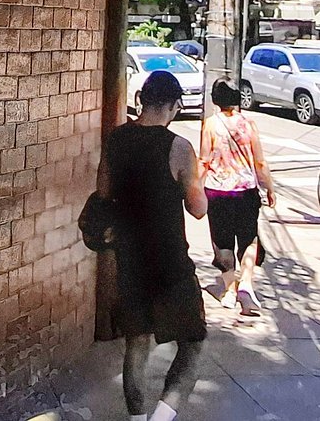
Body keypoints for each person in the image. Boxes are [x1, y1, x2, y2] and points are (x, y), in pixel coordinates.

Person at [98, 69, 208, 421]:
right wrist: (196, 178)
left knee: (136, 344)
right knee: (192, 344)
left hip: (129, 259)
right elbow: (198, 208)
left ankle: (137, 418)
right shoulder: (179, 147)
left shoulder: (116, 140)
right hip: (170, 263)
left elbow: (103, 193)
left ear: (142, 100)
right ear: (175, 105)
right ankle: (161, 417)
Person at [199, 79, 275, 317]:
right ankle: (247, 283)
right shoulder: (249, 124)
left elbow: (204, 160)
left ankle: (230, 290)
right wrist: (269, 187)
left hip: (217, 191)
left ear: (215, 99)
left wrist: (194, 187)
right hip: (245, 191)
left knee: (222, 241)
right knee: (249, 238)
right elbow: (260, 162)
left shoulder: (210, 124)